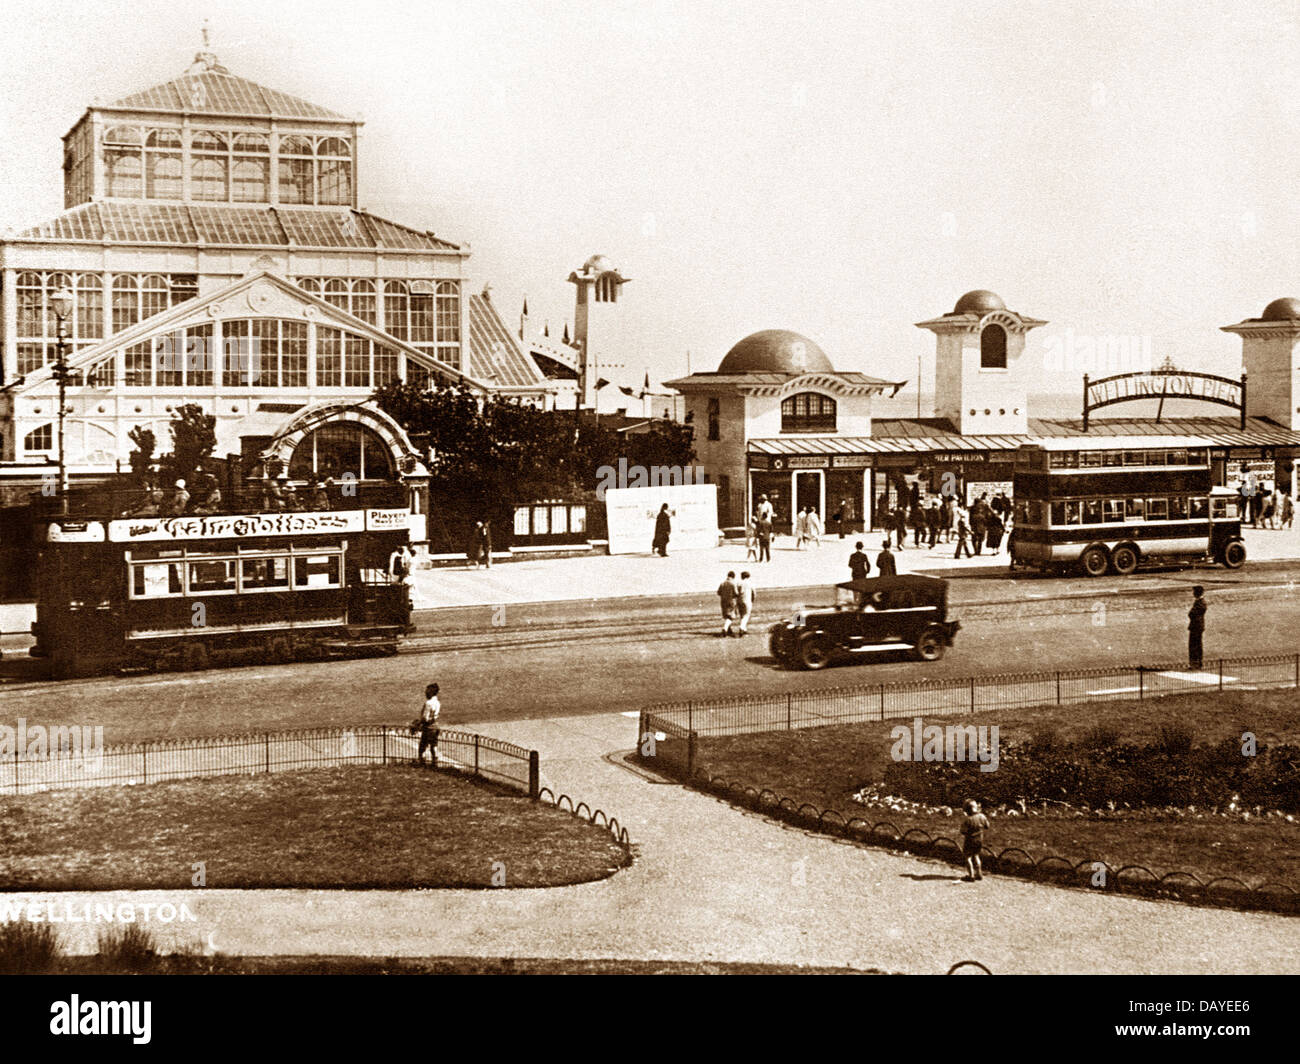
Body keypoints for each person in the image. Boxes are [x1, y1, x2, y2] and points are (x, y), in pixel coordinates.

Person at [960, 799, 990, 881]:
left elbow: (962, 831)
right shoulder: (982, 816)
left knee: (968, 857)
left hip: (969, 840)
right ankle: (979, 874)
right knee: (976, 855)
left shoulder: (967, 819)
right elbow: (987, 826)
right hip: (979, 839)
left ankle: (971, 876)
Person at [416, 683, 441, 767]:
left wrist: (418, 724)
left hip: (428, 728)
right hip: (435, 726)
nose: (425, 692)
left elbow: (425, 718)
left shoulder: (428, 703)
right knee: (434, 746)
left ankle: (422, 763)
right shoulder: (437, 702)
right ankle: (435, 762)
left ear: (431, 692)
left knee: (422, 747)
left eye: (427, 691)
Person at [1188, 585, 1207, 669]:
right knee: (1195, 645)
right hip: (1197, 626)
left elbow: (1192, 613)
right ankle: (1196, 663)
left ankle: (1196, 663)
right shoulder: (1200, 602)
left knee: (1195, 645)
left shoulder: (1201, 602)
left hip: (1197, 626)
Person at [717, 570, 739, 637]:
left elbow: (718, 592)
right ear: (733, 577)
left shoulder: (722, 583)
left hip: (723, 601)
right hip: (731, 601)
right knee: (731, 616)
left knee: (726, 615)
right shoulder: (733, 583)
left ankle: (729, 630)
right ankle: (725, 629)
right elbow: (736, 593)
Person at [735, 571, 756, 636]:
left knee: (742, 615)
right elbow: (754, 593)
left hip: (739, 601)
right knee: (746, 615)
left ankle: (744, 629)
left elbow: (736, 592)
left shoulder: (738, 583)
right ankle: (741, 627)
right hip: (747, 601)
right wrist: (752, 600)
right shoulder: (750, 583)